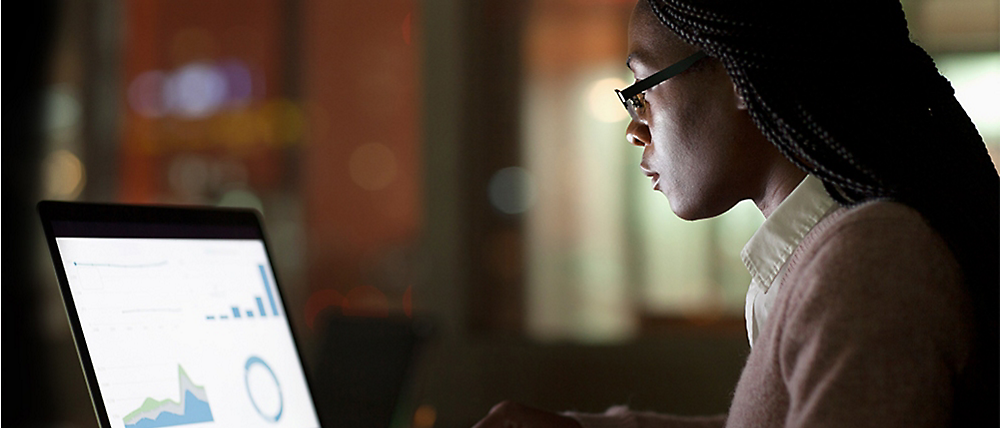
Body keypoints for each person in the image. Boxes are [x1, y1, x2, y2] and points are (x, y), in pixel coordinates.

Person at [473, 0, 999, 427]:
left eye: (642, 88)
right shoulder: (822, 254)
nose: (635, 128)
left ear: (736, 76)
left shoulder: (871, 261)